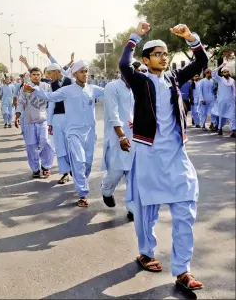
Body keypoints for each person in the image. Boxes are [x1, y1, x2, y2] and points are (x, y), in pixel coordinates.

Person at [119, 22, 207, 290]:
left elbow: (201, 61)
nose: (164, 56)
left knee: (185, 210)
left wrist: (189, 37)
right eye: (157, 53)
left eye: (165, 52)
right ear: (146, 60)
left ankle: (182, 270)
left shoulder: (173, 78)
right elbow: (124, 64)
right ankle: (146, 252)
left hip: (176, 154)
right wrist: (135, 37)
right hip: (148, 153)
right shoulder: (139, 80)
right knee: (147, 212)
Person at [23, 60, 105, 207]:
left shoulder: (93, 89)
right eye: (82, 71)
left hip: (90, 132)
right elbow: (50, 97)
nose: (85, 74)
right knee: (78, 161)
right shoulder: (67, 90)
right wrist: (34, 90)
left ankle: (81, 179)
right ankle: (83, 193)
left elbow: (110, 93)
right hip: (73, 132)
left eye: (86, 71)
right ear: (75, 74)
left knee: (87, 163)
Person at [101, 69, 137, 221]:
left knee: (133, 175)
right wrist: (121, 135)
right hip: (117, 137)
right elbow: (113, 113)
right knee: (116, 173)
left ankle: (132, 208)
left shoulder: (136, 88)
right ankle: (106, 190)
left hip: (135, 137)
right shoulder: (112, 87)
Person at [15, 67, 55, 179]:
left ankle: (46, 166)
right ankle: (35, 169)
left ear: (41, 75)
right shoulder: (25, 87)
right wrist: (17, 116)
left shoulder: (47, 87)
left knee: (46, 142)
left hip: (43, 121)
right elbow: (20, 102)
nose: (36, 76)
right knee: (31, 146)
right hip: (29, 121)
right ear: (30, 76)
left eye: (38, 74)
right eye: (34, 74)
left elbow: (52, 101)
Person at [46, 62, 73, 184]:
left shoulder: (71, 81)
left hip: (71, 119)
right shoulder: (51, 85)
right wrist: (50, 123)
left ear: (57, 71)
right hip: (57, 118)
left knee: (72, 145)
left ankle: (74, 169)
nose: (49, 76)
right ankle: (65, 173)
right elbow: (51, 104)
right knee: (60, 146)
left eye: (50, 73)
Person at [211, 63, 236, 137]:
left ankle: (233, 130)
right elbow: (213, 74)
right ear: (222, 73)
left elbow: (234, 91)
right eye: (225, 72)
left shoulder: (232, 80)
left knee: (232, 116)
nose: (226, 73)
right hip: (221, 101)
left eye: (227, 72)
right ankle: (220, 128)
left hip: (231, 101)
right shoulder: (220, 79)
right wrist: (220, 67)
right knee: (221, 116)